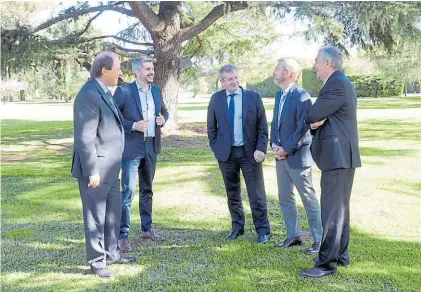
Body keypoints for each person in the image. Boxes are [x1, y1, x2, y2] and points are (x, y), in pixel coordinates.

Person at [71, 51, 136, 278]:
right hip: (96, 169)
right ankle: (97, 261)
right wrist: (92, 171)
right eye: (117, 68)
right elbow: (85, 137)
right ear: (104, 70)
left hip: (111, 167)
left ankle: (112, 252)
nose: (120, 72)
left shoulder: (104, 91)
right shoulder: (88, 94)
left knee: (112, 214)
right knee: (95, 216)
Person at [299, 46, 361, 278]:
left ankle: (326, 265)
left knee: (332, 212)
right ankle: (340, 255)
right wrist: (317, 122)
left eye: (316, 61)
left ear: (329, 64)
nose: (314, 65)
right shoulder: (340, 82)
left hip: (338, 157)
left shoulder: (336, 84)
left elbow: (313, 114)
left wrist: (313, 120)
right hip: (341, 156)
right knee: (339, 210)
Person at [207, 64, 271, 244]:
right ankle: (237, 227)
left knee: (256, 193)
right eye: (229, 79)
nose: (234, 81)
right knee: (232, 192)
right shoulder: (216, 99)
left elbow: (262, 127)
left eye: (236, 77)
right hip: (226, 154)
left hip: (250, 153)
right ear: (222, 82)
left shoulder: (253, 97)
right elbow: (211, 128)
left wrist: (261, 148)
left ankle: (263, 230)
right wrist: (216, 148)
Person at [113, 56, 169, 252]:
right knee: (127, 192)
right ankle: (122, 236)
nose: (151, 72)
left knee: (148, 190)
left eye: (152, 68)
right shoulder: (124, 91)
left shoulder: (155, 90)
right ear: (137, 72)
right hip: (131, 149)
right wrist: (133, 125)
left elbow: (164, 112)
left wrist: (163, 119)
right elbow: (113, 117)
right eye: (147, 69)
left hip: (151, 147)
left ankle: (147, 229)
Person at [270, 58, 322, 253]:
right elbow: (275, 123)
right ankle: (293, 236)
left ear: (288, 72)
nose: (274, 71)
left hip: (297, 157)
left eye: (278, 68)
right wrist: (274, 144)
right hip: (280, 156)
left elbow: (302, 128)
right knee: (285, 198)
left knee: (308, 198)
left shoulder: (302, 96)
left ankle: (319, 240)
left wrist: (286, 149)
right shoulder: (278, 95)